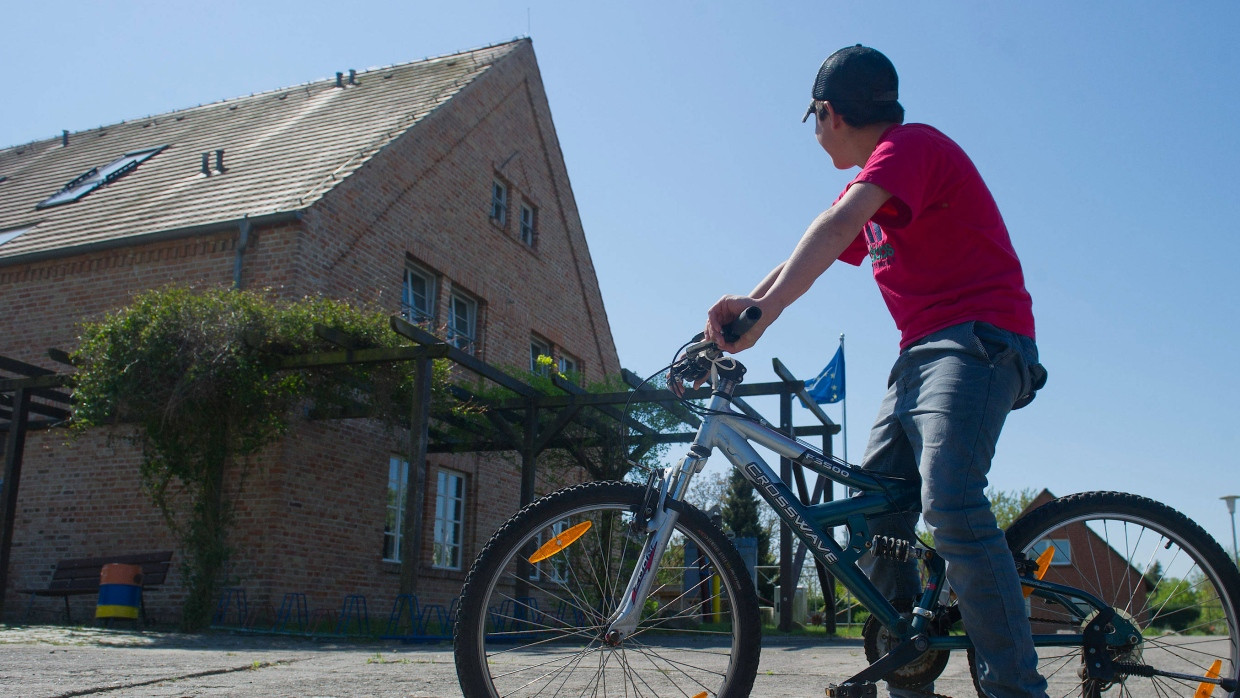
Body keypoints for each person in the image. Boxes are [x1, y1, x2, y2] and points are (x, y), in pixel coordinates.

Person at [700, 45, 1049, 697]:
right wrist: (751, 301)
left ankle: (1015, 687)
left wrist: (764, 313)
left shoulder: (910, 148)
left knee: (949, 501)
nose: (816, 133)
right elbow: (825, 240)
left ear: (828, 112)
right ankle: (910, 671)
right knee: (873, 517)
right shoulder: (879, 187)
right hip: (919, 359)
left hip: (979, 340)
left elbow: (835, 226)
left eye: (814, 119)